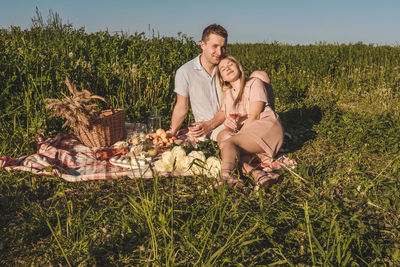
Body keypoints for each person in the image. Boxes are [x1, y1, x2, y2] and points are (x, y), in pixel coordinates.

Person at [169, 24, 270, 141]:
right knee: (228, 138)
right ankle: (257, 136)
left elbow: (241, 93)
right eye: (215, 46)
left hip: (235, 118)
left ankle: (268, 126)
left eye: (223, 47)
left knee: (260, 76)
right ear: (202, 45)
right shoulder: (185, 71)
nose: (219, 52)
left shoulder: (225, 66)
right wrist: (171, 133)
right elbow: (182, 107)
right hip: (211, 127)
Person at [215, 56, 284, 190]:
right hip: (249, 133)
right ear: (222, 78)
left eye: (230, 64)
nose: (227, 68)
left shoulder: (253, 83)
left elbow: (255, 116)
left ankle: (226, 176)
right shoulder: (227, 94)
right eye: (223, 69)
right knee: (226, 145)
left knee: (229, 144)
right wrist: (230, 123)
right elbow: (232, 118)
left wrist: (235, 137)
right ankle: (259, 175)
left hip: (266, 126)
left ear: (238, 67)